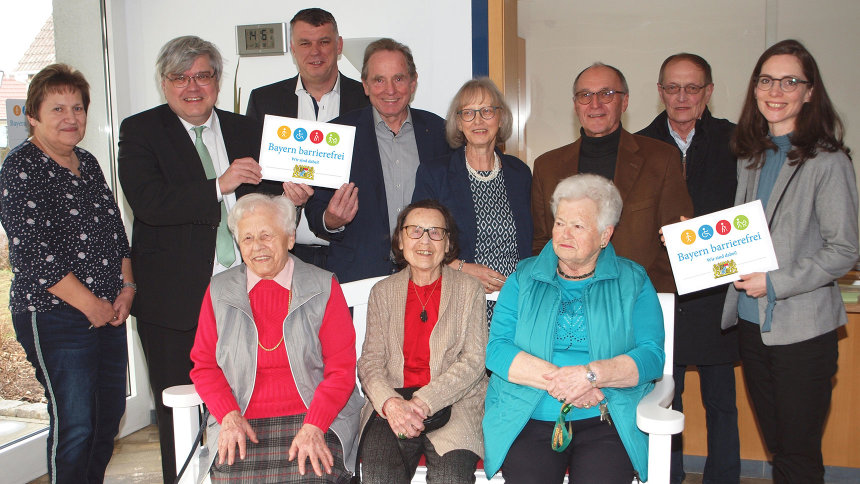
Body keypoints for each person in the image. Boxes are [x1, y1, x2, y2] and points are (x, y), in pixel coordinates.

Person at [117, 36, 266, 482]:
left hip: (247, 290)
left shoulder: (247, 129)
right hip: (172, 302)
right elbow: (149, 203)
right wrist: (217, 185)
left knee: (248, 403)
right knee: (179, 414)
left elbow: (271, 196)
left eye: (202, 75)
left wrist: (292, 195)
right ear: (164, 84)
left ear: (218, 81)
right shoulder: (141, 130)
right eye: (179, 77)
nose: (192, 86)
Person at [721, 39, 858, 484]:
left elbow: (844, 250)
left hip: (802, 329)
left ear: (809, 91)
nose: (775, 90)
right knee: (779, 445)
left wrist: (775, 283)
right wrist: (701, 240)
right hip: (749, 321)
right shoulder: (751, 156)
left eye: (789, 81)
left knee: (797, 455)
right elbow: (746, 236)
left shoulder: (828, 160)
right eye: (766, 80)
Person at [0, 63, 134, 483]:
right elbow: (36, 257)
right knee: (75, 424)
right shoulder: (19, 169)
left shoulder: (88, 163)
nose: (70, 118)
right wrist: (91, 305)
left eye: (77, 108)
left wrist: (127, 287)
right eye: (57, 108)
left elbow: (115, 232)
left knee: (107, 418)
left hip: (108, 310)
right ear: (33, 116)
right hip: (54, 315)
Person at [484, 174, 665, 483]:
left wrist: (591, 376)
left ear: (605, 235)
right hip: (529, 416)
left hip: (606, 419)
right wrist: (568, 383)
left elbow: (650, 356)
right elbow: (497, 350)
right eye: (559, 223)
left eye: (578, 226)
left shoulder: (633, 281)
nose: (564, 233)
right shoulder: (523, 278)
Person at [190, 193, 363, 481]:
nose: (257, 247)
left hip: (315, 415)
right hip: (242, 418)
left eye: (267, 235)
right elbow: (204, 365)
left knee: (315, 476)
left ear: (290, 238)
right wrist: (228, 415)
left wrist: (314, 425)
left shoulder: (322, 286)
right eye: (247, 238)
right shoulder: (219, 291)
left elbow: (341, 370)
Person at [637, 53, 740, 484]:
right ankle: (668, 478)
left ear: (709, 92)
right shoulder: (639, 144)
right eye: (673, 88)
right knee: (663, 398)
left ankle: (724, 478)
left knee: (720, 401)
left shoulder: (739, 142)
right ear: (660, 91)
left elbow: (748, 216)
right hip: (662, 293)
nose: (682, 97)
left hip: (717, 291)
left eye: (692, 87)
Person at [531, 62, 692, 293]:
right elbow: (542, 243)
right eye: (585, 95)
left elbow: (677, 238)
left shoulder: (661, 159)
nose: (595, 104)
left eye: (606, 94)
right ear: (576, 105)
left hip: (640, 297)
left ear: (624, 101)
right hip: (568, 300)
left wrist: (643, 293)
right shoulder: (546, 167)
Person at [357, 199, 487, 483]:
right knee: (378, 475)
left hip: (454, 403)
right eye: (415, 231)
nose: (425, 240)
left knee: (450, 478)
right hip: (392, 405)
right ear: (400, 240)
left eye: (435, 232)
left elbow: (475, 361)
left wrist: (424, 401)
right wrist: (390, 403)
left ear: (447, 242)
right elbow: (370, 362)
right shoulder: (383, 292)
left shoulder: (469, 289)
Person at [303, 38, 451, 283]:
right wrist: (331, 220)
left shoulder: (440, 133)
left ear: (413, 83)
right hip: (359, 277)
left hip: (428, 277)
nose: (389, 90)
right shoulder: (335, 135)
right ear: (365, 85)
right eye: (379, 80)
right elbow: (315, 209)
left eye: (399, 79)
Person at [246, 7, 369, 268]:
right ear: (293, 48)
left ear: (339, 45)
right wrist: (284, 199)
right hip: (285, 253)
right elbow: (252, 182)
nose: (315, 52)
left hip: (351, 250)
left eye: (324, 42)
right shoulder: (264, 101)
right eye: (305, 43)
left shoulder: (366, 99)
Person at [412, 77, 532, 300]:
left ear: (500, 117)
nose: (478, 120)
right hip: (459, 299)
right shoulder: (435, 174)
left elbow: (532, 244)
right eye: (468, 113)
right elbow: (419, 240)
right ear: (458, 122)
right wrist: (462, 269)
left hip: (514, 303)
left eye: (487, 110)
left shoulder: (520, 174)